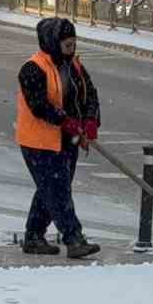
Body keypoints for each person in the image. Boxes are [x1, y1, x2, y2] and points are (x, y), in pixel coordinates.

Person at [16, 17, 101, 259]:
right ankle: (74, 238)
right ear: (53, 43)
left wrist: (90, 120)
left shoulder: (74, 65)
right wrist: (66, 122)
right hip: (38, 141)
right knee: (57, 191)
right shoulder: (32, 68)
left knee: (50, 190)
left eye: (74, 44)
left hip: (68, 139)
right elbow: (39, 105)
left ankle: (33, 236)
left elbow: (89, 94)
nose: (71, 49)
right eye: (67, 45)